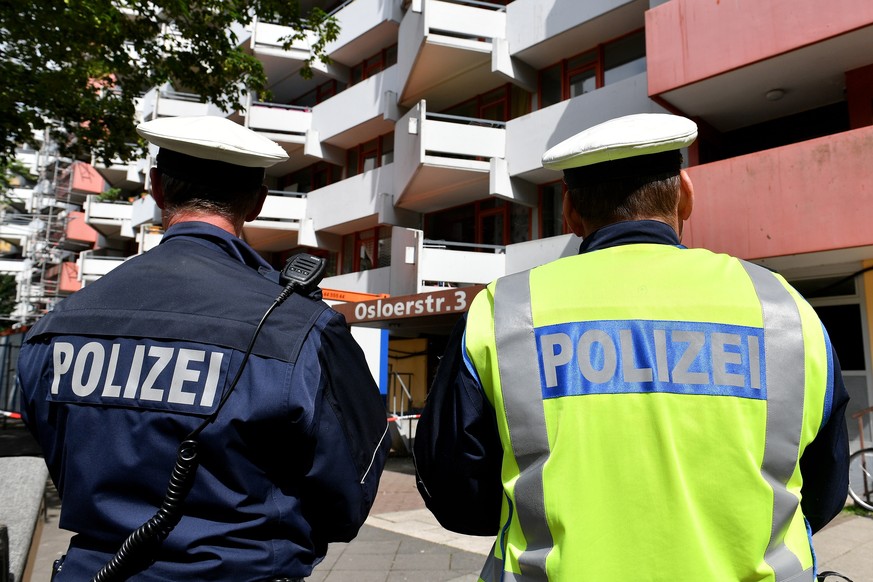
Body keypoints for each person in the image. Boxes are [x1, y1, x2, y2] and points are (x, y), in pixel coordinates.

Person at [413, 113, 849, 581]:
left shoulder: (504, 312)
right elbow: (823, 492)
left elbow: (458, 497)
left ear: (570, 212)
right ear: (685, 195)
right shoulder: (783, 308)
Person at [18, 115, 391, 581]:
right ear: (257, 201)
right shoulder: (300, 327)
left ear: (156, 188)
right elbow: (348, 490)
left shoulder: (57, 325)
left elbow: (58, 450)